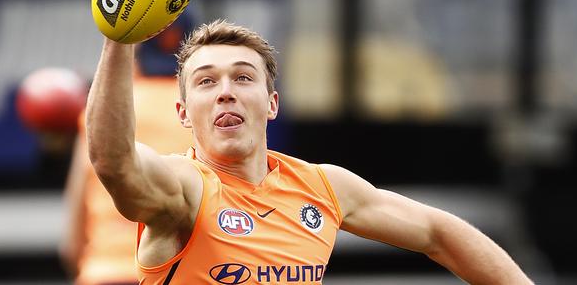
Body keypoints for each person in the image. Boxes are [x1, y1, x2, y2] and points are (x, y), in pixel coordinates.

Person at [85, 19, 534, 284]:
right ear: (184, 113)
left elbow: (439, 233)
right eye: (206, 81)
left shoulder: (322, 187)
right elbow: (114, 162)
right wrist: (119, 39)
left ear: (272, 103)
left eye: (243, 78)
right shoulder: (184, 189)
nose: (225, 92)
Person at [59, 16, 194, 285]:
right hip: (178, 273)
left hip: (105, 270)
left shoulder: (101, 109)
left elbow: (71, 244)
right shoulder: (203, 112)